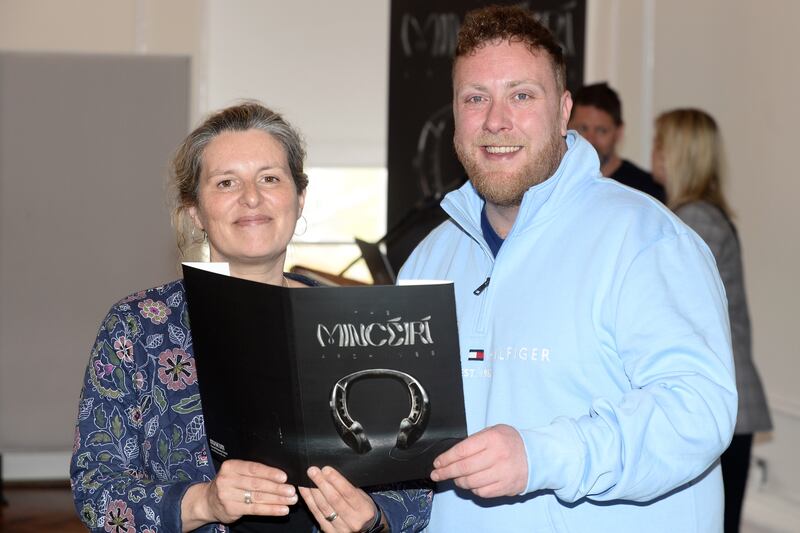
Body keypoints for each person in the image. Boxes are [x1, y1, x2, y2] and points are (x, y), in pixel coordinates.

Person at [398, 5, 737, 532]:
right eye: (475, 98)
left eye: (521, 95)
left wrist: (541, 455)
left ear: (563, 112)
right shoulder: (427, 261)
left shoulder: (647, 240)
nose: (495, 120)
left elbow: (697, 412)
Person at [70, 102, 431, 533]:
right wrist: (203, 502)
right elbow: (95, 490)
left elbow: (416, 480)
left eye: (270, 178)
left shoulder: (360, 328)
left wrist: (376, 519)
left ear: (299, 199)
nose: (252, 198)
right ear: (195, 212)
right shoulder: (137, 328)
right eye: (226, 182)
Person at [652, 108, 772, 533]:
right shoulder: (704, 213)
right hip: (732, 401)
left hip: (718, 403)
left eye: (662, 145)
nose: (655, 156)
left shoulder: (694, 219)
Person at [569, 82, 665, 202]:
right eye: (583, 129)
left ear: (619, 132)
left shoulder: (647, 191)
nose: (590, 140)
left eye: (601, 131)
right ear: (568, 127)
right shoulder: (556, 186)